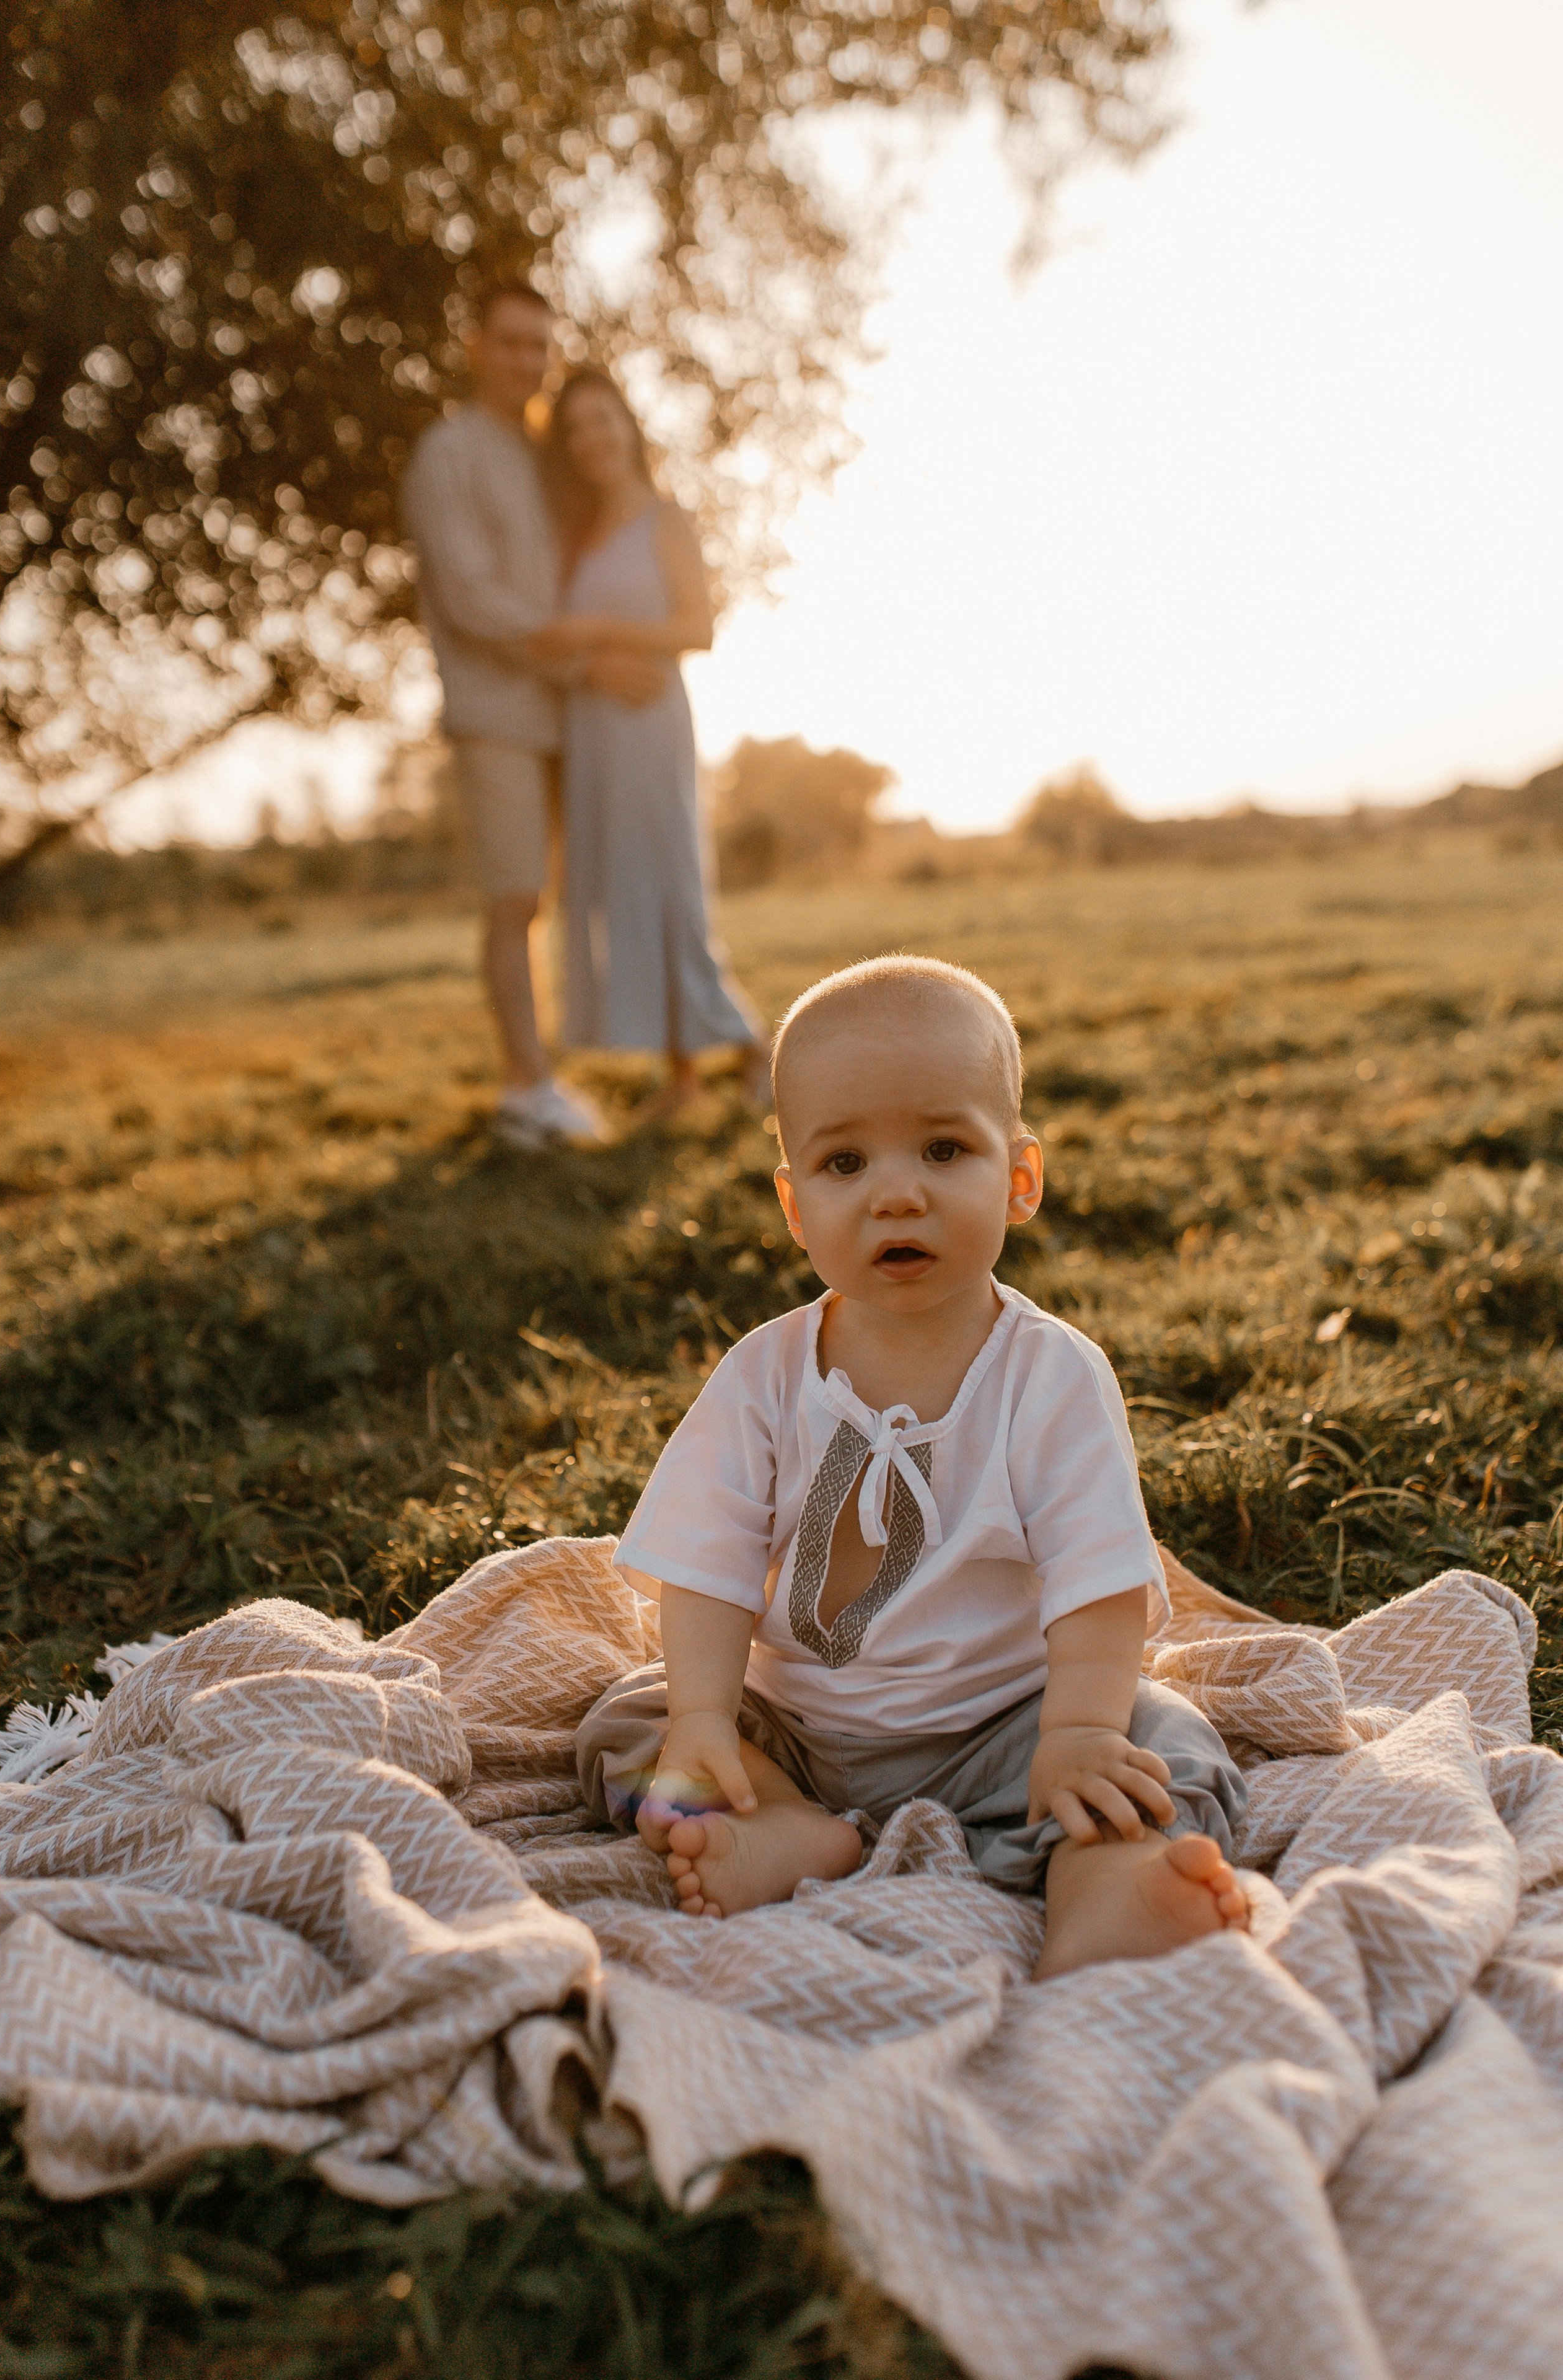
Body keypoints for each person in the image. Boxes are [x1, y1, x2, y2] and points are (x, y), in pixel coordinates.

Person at [575, 955, 1250, 1977]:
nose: (897, 1195)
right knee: (627, 1726)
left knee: (1164, 1745)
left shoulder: (1049, 1376)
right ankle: (789, 1826)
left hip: (1007, 1728)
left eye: (943, 1149)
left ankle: (1103, 1885)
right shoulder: (763, 1377)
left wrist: (1073, 1733)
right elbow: (705, 1569)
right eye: (845, 1165)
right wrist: (709, 1722)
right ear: (796, 1207)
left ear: (1019, 1178)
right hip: (796, 1727)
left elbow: (1099, 1583)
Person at [403, 282, 662, 1148]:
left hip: (571, 715)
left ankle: (550, 1073)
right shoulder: (449, 454)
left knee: (550, 899)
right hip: (497, 712)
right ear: (474, 344)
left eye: (539, 347)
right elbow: (471, 599)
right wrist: (589, 656)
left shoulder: (547, 456)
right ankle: (525, 1090)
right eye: (511, 343)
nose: (527, 361)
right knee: (514, 897)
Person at [526, 371, 769, 1113]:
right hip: (592, 733)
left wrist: (598, 632)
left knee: (672, 889)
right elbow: (549, 643)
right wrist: (590, 665)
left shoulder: (666, 520)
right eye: (575, 430)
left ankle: (758, 1046)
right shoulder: (572, 537)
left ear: (628, 426)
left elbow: (697, 628)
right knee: (624, 893)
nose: (591, 440)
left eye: (602, 421)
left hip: (652, 726)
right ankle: (683, 1078)